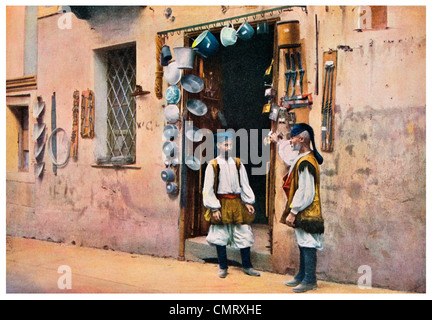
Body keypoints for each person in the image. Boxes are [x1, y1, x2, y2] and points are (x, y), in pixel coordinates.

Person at [271, 123, 324, 293]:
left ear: (301, 139)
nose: (291, 142)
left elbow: (306, 192)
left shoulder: (306, 162)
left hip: (307, 211)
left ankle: (310, 280)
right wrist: (279, 142)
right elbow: (288, 156)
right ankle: (302, 275)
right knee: (303, 242)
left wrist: (293, 211)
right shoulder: (301, 158)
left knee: (308, 243)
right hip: (303, 210)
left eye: (292, 138)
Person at [203, 132, 261, 278]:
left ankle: (247, 266)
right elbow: (207, 189)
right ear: (218, 145)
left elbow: (245, 184)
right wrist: (214, 208)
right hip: (221, 203)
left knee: (244, 233)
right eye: (226, 144)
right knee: (220, 235)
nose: (229, 147)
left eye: (231, 144)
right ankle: (223, 267)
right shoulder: (213, 165)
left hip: (237, 202)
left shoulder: (237, 163)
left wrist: (248, 201)